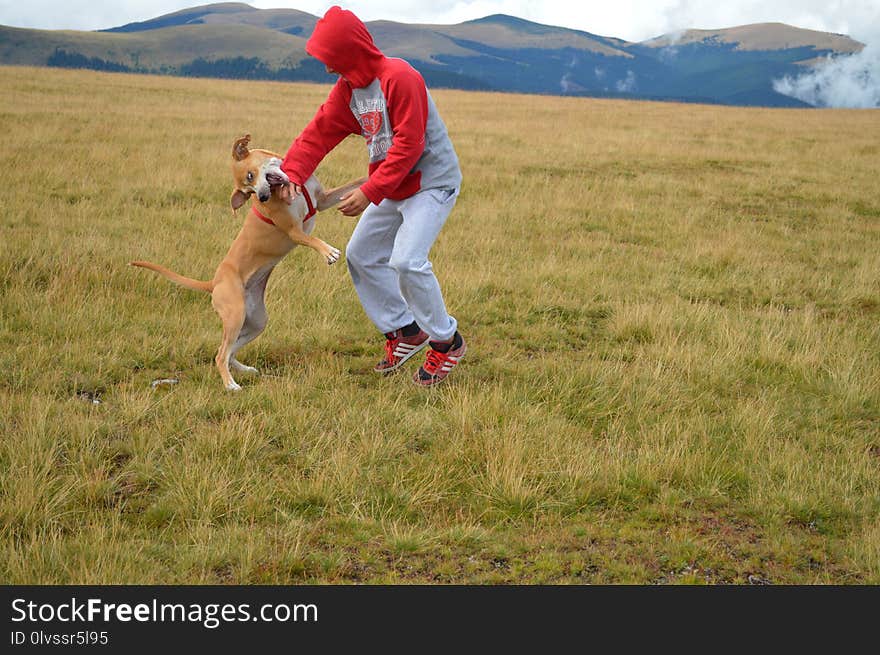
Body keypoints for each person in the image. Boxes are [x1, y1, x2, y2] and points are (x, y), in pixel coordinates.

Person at [277, 5, 466, 386]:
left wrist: (369, 192)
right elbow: (320, 131)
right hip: (393, 185)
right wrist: (292, 173)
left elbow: (409, 147)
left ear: (350, 51)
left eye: (332, 59)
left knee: (408, 261)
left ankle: (447, 342)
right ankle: (405, 331)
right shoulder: (349, 90)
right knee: (361, 255)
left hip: (431, 182)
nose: (329, 68)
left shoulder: (400, 78)